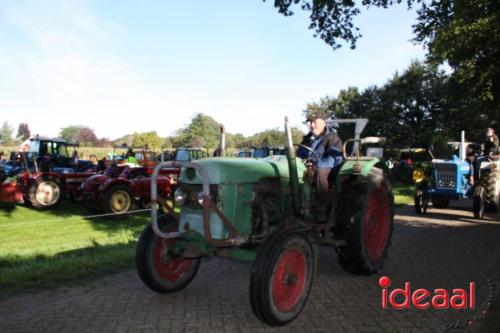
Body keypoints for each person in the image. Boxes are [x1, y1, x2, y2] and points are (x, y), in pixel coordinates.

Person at [297, 112, 343, 221]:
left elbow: (334, 158)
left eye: (315, 122)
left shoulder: (333, 138)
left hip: (327, 167)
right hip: (307, 165)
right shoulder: (308, 138)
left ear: (323, 123)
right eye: (311, 122)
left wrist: (315, 165)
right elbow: (300, 153)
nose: (312, 125)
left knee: (320, 172)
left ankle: (322, 208)